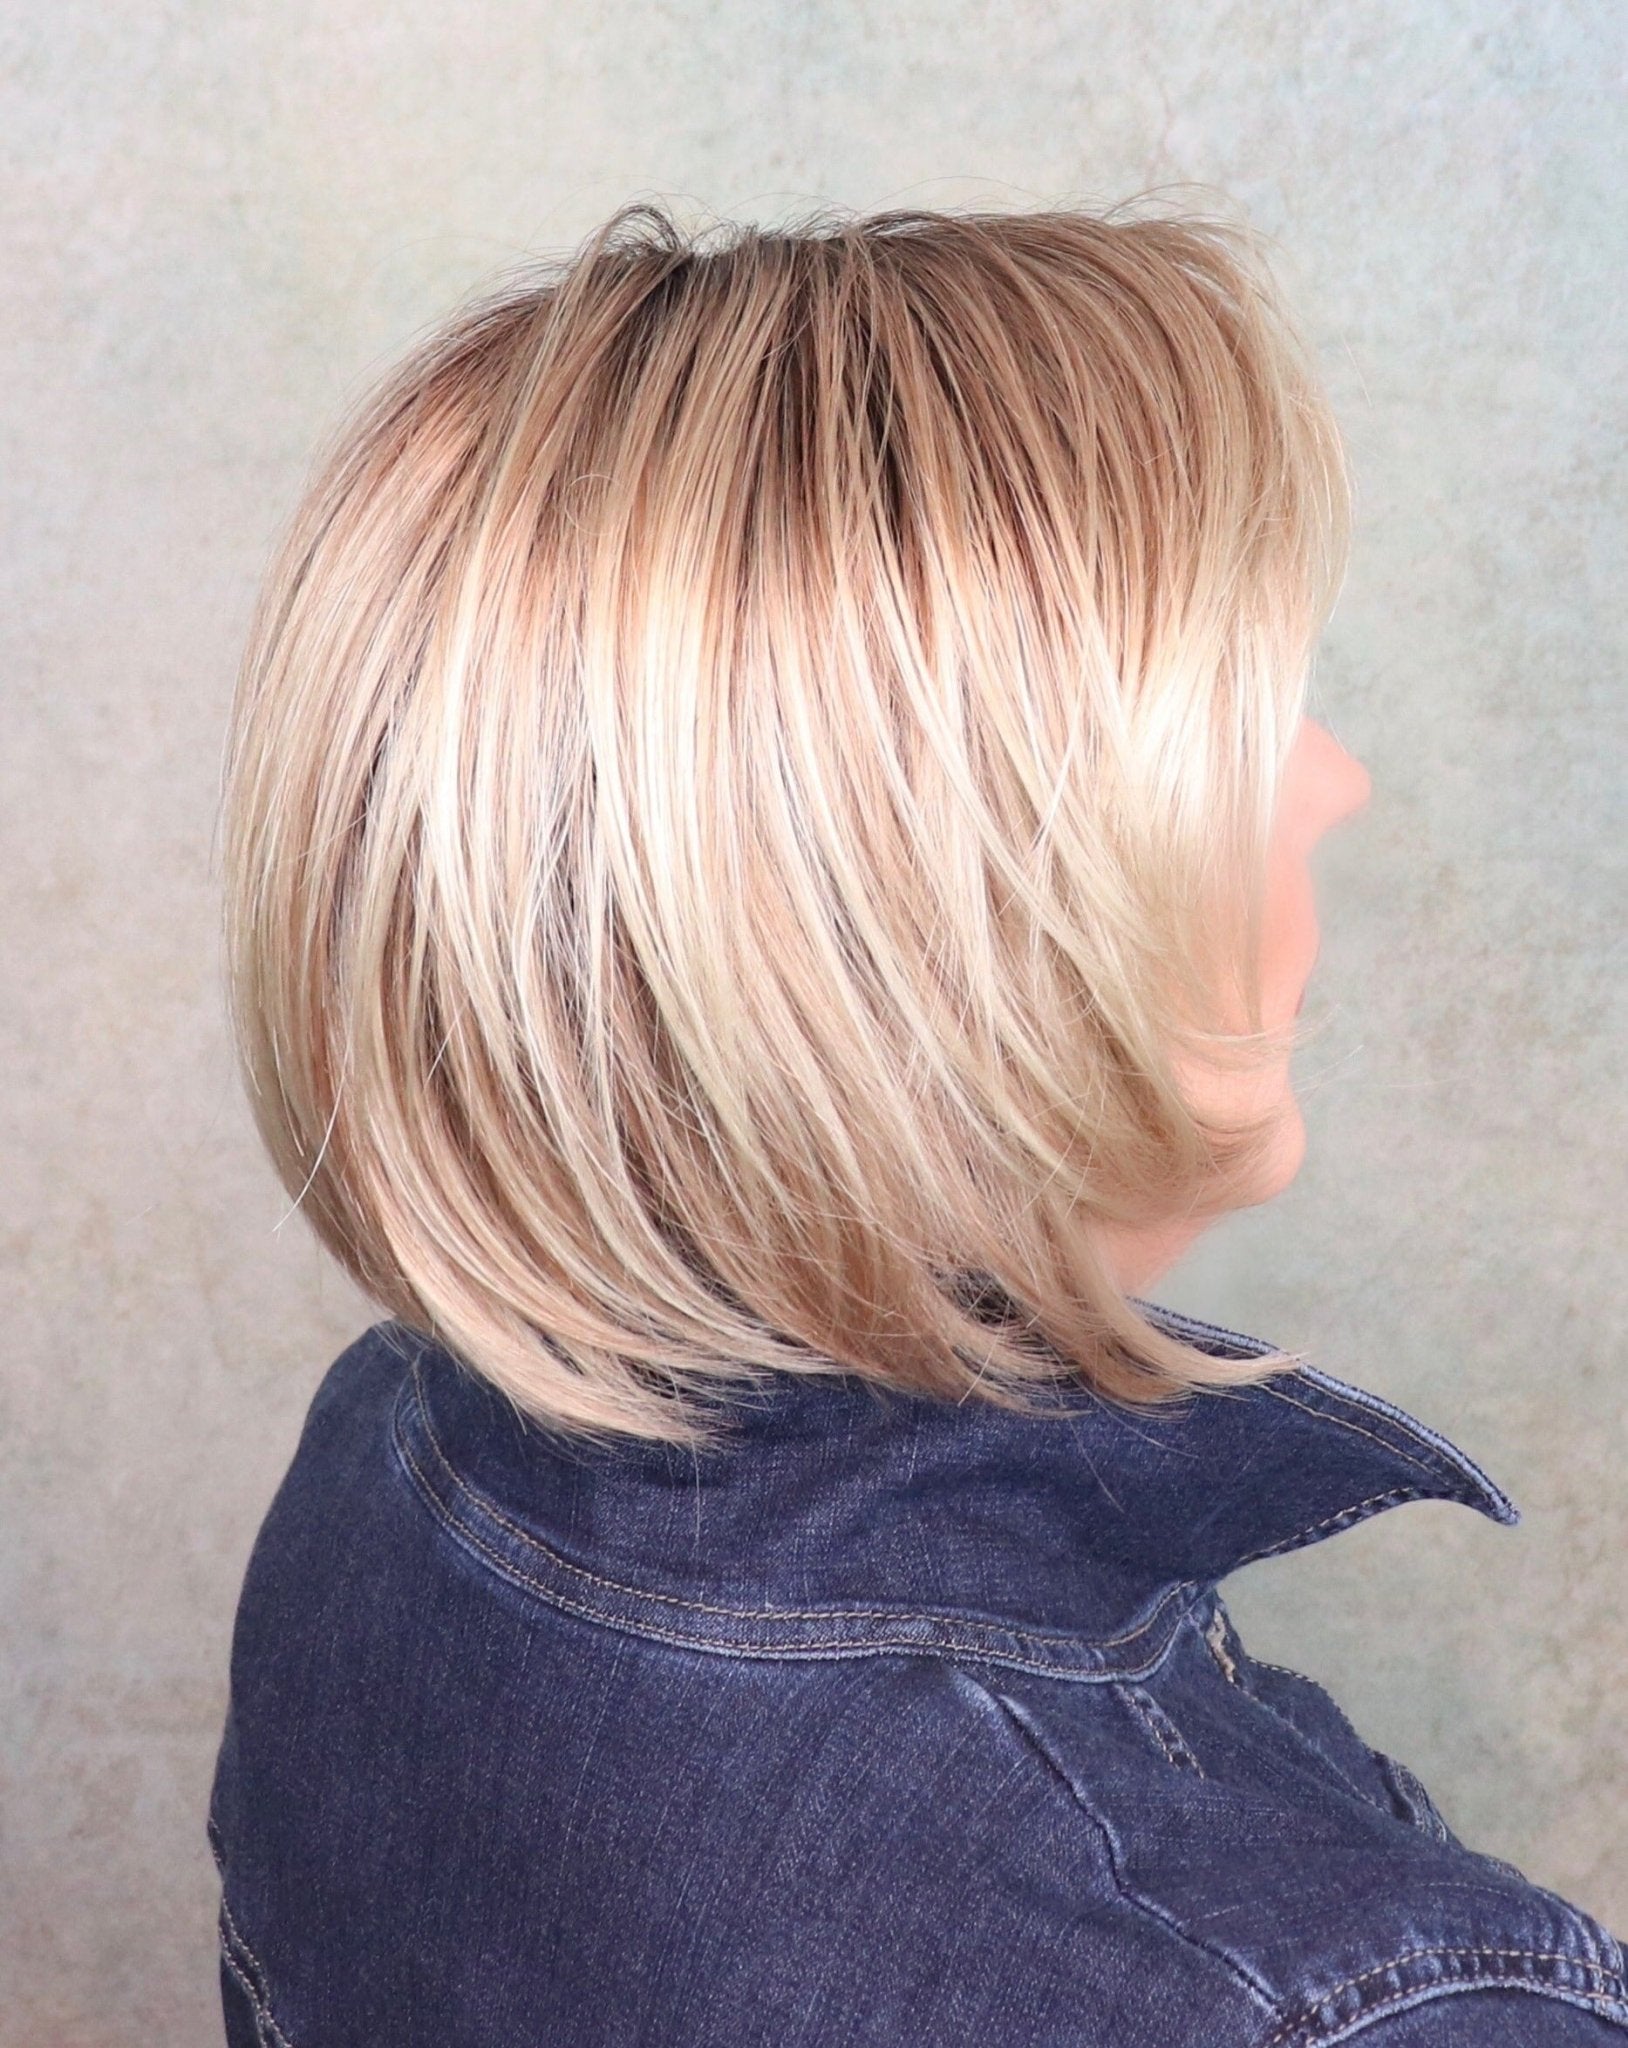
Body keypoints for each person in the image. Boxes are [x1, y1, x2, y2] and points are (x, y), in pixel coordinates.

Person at [206, 200, 1628, 2044]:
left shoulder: (399, 1462)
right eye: (1241, 722)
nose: (1333, 785)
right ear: (920, 934)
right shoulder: (1292, 2001)